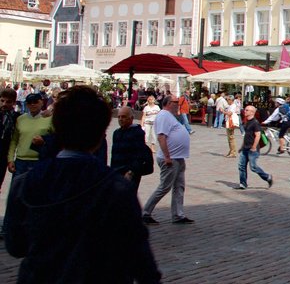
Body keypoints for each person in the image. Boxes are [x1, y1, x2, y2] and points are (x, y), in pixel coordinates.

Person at [3, 86, 161, 283]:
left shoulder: (24, 183)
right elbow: (141, 261)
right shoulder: (117, 188)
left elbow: (16, 245)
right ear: (100, 133)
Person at [141, 96, 192, 225]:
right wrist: (167, 157)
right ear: (169, 103)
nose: (178, 105)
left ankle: (178, 214)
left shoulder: (170, 116)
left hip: (178, 157)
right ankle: (146, 212)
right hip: (170, 158)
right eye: (176, 103)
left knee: (179, 186)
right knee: (164, 187)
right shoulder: (163, 115)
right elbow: (161, 137)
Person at [6, 92, 53, 177]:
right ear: (26, 104)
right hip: (20, 161)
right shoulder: (20, 119)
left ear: (41, 102)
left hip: (40, 161)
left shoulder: (50, 119)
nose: (32, 104)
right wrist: (10, 159)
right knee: (18, 189)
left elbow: (56, 138)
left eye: (35, 102)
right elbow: (14, 141)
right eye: (29, 102)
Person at [110, 106, 153, 194]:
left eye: (124, 116)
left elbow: (139, 155)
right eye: (119, 117)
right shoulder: (116, 133)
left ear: (131, 118)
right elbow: (114, 154)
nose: (121, 119)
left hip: (129, 173)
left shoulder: (137, 133)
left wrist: (131, 172)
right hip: (117, 172)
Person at [236, 105, 273, 190]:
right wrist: (242, 147)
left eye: (247, 110)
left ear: (252, 112)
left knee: (253, 167)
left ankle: (267, 177)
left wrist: (253, 147)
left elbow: (258, 136)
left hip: (253, 150)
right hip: (245, 148)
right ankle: (243, 184)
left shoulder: (255, 123)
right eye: (245, 110)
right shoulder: (247, 122)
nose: (245, 111)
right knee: (241, 166)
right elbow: (246, 136)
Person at [0, 88, 18, 197]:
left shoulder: (17, 117)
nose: (4, 104)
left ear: (14, 103)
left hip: (3, 155)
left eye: (8, 102)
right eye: (2, 101)